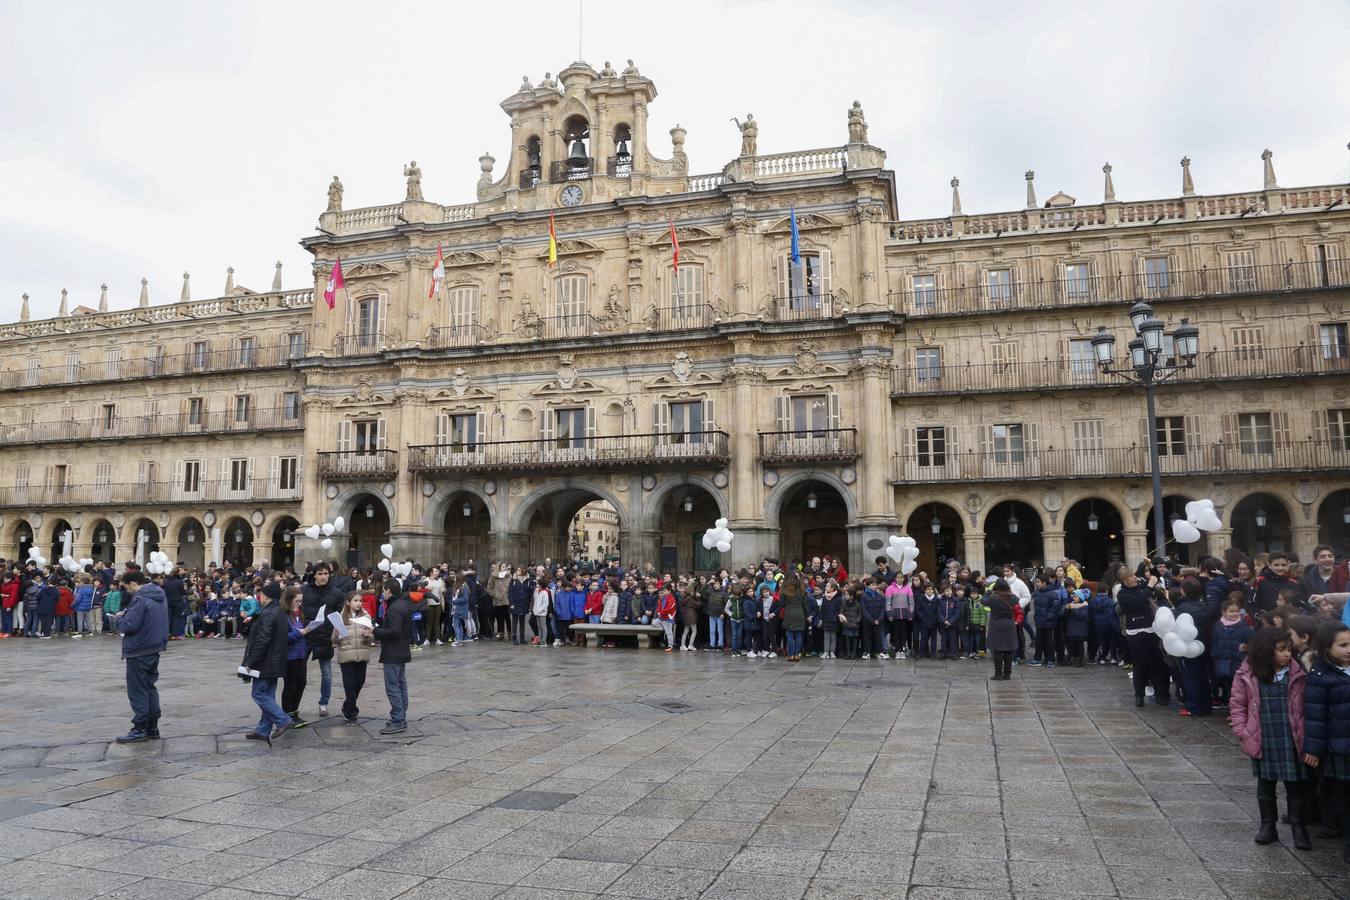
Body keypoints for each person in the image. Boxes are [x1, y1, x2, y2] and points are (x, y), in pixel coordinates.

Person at [1231, 626, 1311, 849]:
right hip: (1262, 734)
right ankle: (1268, 825)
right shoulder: (1248, 673)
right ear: (1266, 651)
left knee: (1295, 784)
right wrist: (1242, 732)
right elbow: (1238, 705)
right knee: (1265, 783)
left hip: (1291, 736)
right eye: (1281, 650)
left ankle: (1299, 827)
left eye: (1289, 649)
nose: (1287, 654)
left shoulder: (1298, 673)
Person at [1303, 621, 1350, 863]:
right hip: (1339, 747)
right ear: (1326, 647)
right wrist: (1313, 748)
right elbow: (1315, 715)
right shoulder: (1320, 675)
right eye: (1343, 645)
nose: (1348, 649)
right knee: (1342, 793)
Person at [113, 571, 167, 742]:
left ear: (133, 583)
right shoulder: (159, 595)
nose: (126, 590)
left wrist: (119, 620)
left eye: (125, 586)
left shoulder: (140, 598)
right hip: (154, 646)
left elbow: (130, 625)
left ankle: (140, 728)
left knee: (138, 690)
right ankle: (152, 726)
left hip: (139, 647)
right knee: (150, 687)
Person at [240, 581, 293, 745]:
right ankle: (263, 730)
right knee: (268, 695)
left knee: (259, 694)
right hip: (275, 662)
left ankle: (283, 720)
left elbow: (262, 641)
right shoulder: (279, 612)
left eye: (261, 595)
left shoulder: (269, 613)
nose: (259, 597)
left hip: (266, 662)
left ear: (266, 596)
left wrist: (251, 661)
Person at [1118, 567, 1170, 708]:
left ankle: (1160, 694)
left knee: (1156, 663)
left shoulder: (1141, 586)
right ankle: (1139, 695)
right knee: (1140, 664)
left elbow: (1155, 576)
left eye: (1135, 575)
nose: (1135, 577)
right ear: (1125, 580)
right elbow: (1139, 601)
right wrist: (1149, 586)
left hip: (1151, 628)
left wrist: (1150, 566)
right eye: (1132, 576)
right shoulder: (1122, 594)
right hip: (1136, 631)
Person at [301, 563, 343, 717]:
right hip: (306, 634)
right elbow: (297, 608)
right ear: (314, 575)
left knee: (327, 673)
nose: (323, 576)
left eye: (326, 573)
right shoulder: (304, 590)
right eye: (320, 573)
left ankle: (324, 702)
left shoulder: (336, 593)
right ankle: (294, 704)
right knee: (298, 671)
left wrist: (335, 635)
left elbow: (339, 615)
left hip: (325, 636)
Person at [374, 578, 413, 734]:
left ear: (389, 591)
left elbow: (394, 631)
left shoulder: (395, 608)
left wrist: (374, 631)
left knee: (393, 687)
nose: (383, 593)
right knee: (400, 685)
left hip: (393, 652)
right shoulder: (403, 604)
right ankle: (401, 716)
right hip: (401, 651)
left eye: (384, 590)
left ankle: (398, 719)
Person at [333, 591, 375, 724]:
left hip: (362, 654)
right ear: (348, 603)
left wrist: (369, 636)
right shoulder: (340, 618)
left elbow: (371, 639)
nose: (358, 603)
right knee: (349, 684)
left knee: (359, 682)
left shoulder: (366, 617)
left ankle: (347, 706)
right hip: (347, 654)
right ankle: (351, 711)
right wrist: (338, 635)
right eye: (355, 601)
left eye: (360, 601)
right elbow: (333, 639)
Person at [1211, 597, 1254, 708]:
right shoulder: (1219, 625)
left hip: (1237, 660)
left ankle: (1237, 709)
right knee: (1225, 683)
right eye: (1231, 611)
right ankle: (1227, 704)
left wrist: (1246, 648)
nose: (1235, 614)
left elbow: (1252, 641)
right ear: (1223, 612)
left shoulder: (1243, 626)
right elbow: (1215, 641)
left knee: (1237, 687)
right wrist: (1215, 653)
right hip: (1222, 659)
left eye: (1236, 611)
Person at [985, 579, 1018, 681]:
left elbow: (983, 601)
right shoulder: (1013, 597)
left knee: (997, 651)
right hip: (1009, 625)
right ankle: (1007, 674)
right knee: (1008, 651)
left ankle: (998, 674)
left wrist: (987, 593)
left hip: (996, 625)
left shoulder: (993, 598)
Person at [531, 578, 551, 647]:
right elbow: (535, 601)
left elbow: (545, 604)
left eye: (538, 584)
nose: (537, 585)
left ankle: (544, 641)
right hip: (536, 612)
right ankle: (540, 640)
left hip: (542, 613)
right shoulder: (536, 591)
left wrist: (540, 610)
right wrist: (534, 609)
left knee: (543, 627)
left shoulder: (545, 592)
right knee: (539, 627)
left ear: (541, 585)